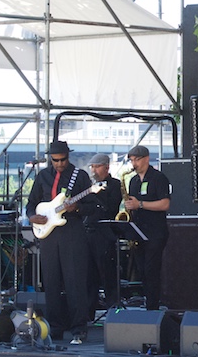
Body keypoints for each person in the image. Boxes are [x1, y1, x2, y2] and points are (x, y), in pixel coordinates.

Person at [26, 141, 96, 344]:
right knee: (51, 282)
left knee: (75, 282)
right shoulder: (42, 176)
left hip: (72, 233)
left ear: (68, 156)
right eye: (55, 160)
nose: (59, 164)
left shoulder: (80, 176)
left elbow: (93, 206)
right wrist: (32, 216)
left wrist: (78, 209)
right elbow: (31, 203)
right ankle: (54, 327)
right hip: (48, 234)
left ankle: (79, 328)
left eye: (62, 159)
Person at [123, 145, 171, 310]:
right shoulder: (134, 181)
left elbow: (165, 204)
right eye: (131, 160)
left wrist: (140, 204)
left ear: (146, 158)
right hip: (138, 232)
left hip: (155, 232)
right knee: (142, 271)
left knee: (152, 271)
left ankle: (152, 308)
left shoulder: (158, 178)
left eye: (137, 159)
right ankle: (147, 302)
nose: (134, 163)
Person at [85, 153, 123, 314]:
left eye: (97, 166)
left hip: (104, 233)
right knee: (88, 274)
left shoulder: (114, 185)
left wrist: (96, 193)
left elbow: (111, 206)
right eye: (92, 166)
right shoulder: (87, 185)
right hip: (87, 232)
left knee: (107, 273)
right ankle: (88, 311)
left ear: (106, 167)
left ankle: (112, 309)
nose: (94, 170)